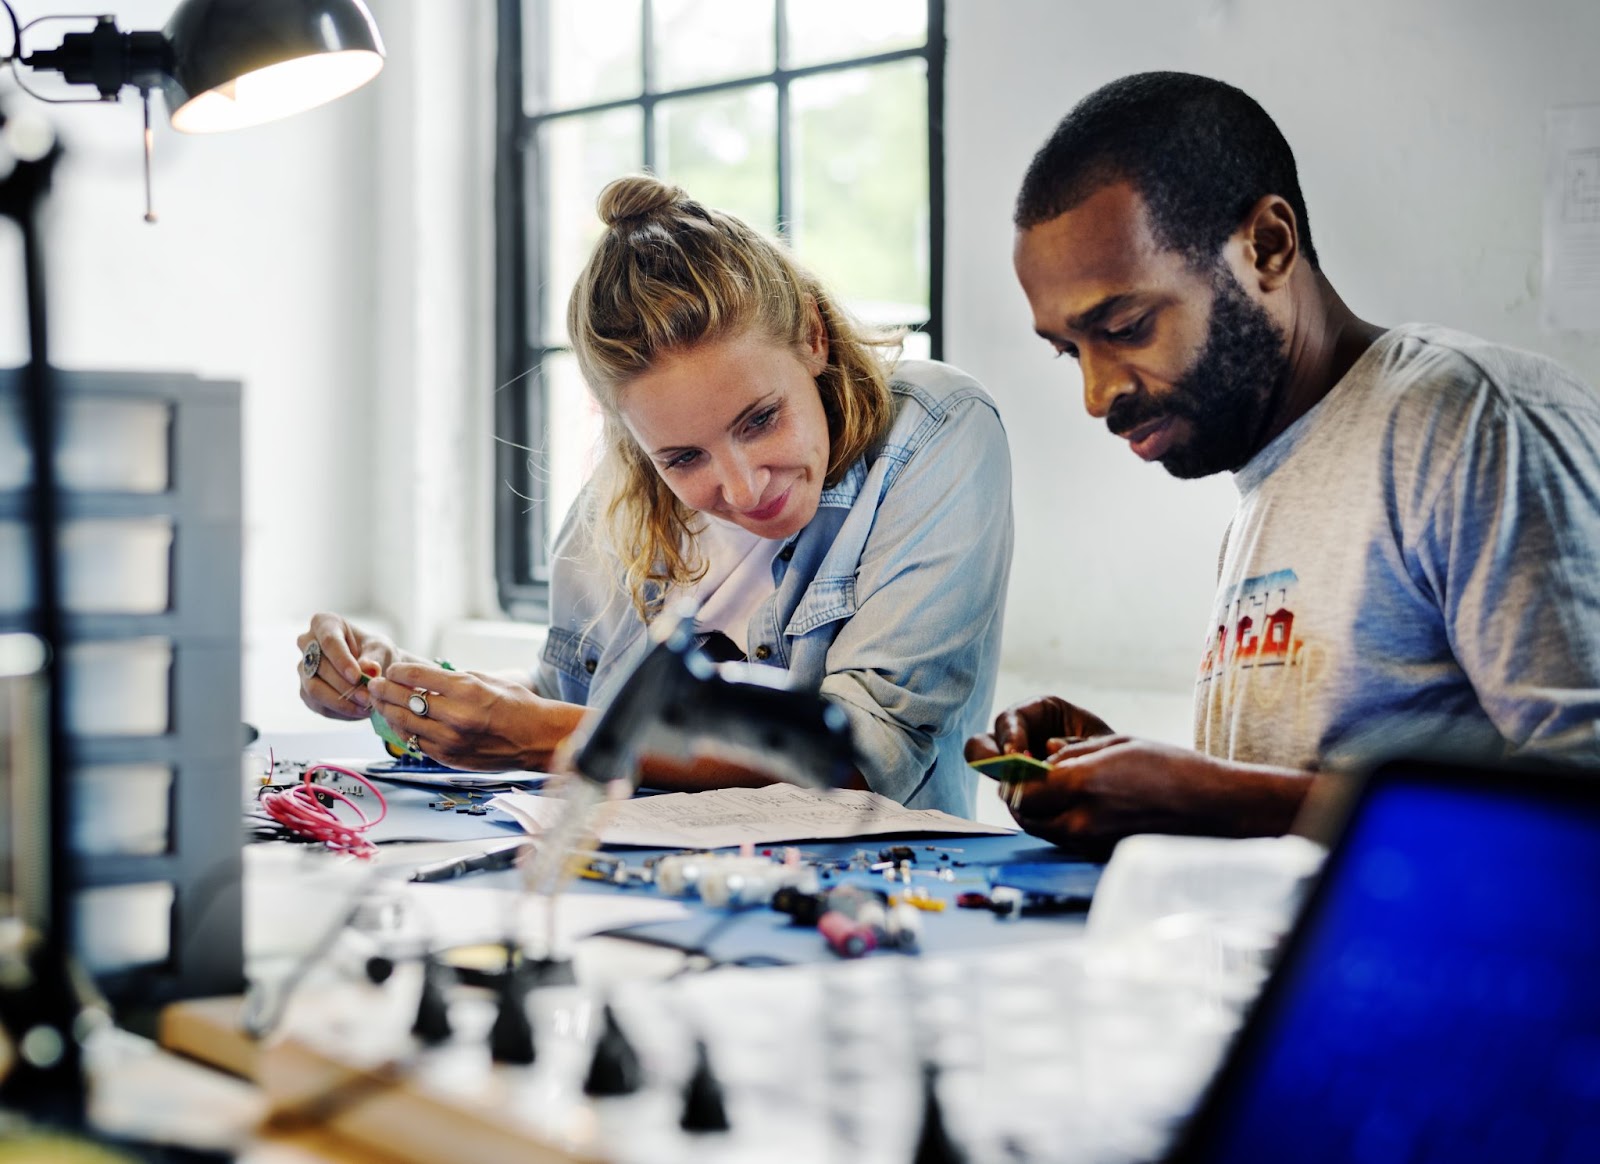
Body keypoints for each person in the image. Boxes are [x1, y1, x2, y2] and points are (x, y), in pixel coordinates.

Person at [968, 71, 1600, 849]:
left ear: (1267, 246)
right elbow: (1302, 804)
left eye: (1127, 327)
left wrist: (1206, 801)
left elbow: (1580, 807)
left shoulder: (1470, 419)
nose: (1097, 395)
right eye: (1071, 352)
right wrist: (1128, 781)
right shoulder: (1267, 485)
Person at [299, 175, 1013, 816]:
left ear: (814, 338)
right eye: (681, 456)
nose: (740, 486)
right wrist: (407, 693)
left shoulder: (936, 434)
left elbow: (870, 756)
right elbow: (559, 702)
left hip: (871, 902)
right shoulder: (611, 508)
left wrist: (542, 735)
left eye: (760, 420)